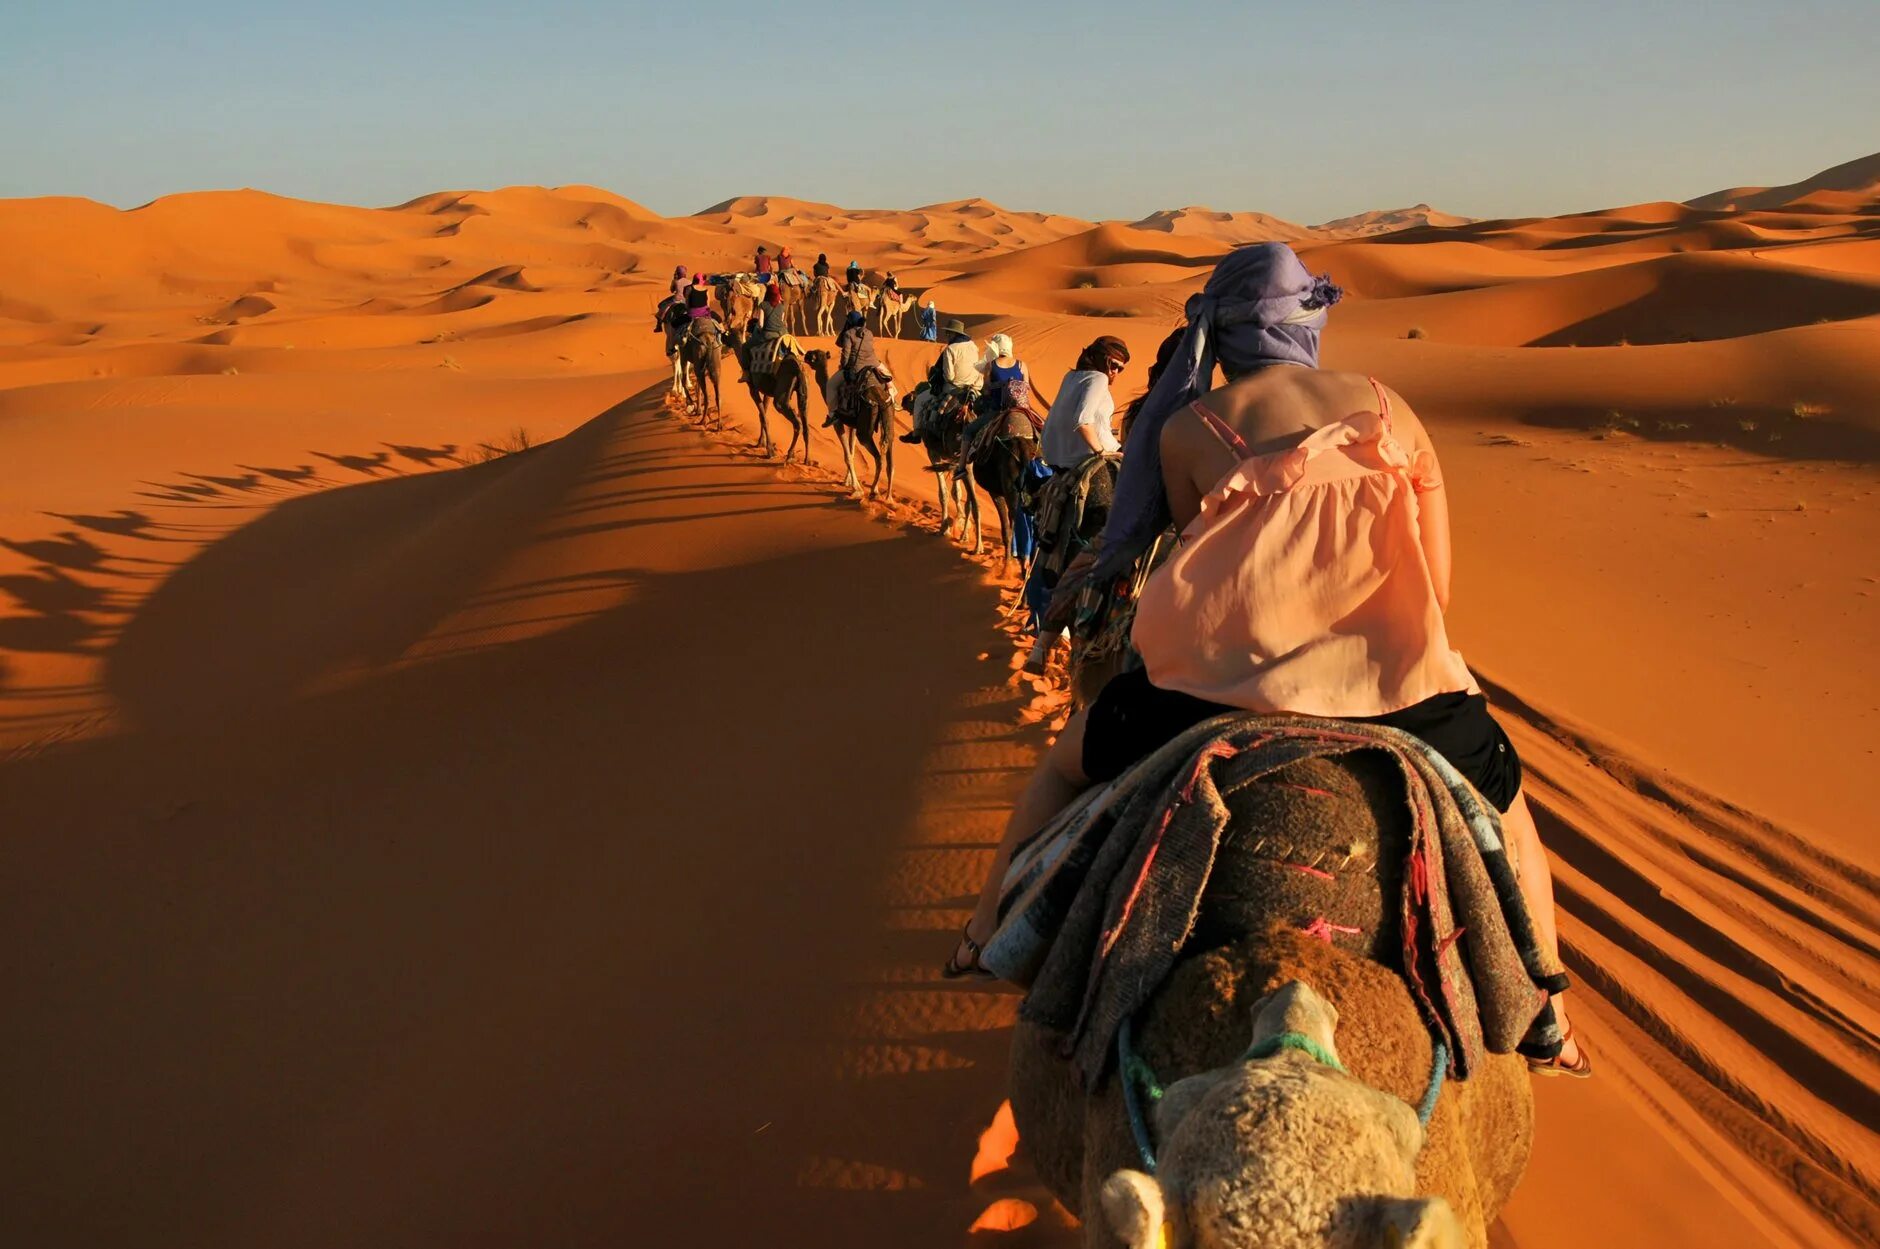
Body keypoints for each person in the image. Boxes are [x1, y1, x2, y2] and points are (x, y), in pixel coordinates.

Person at [943, 244, 1589, 1079]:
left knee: (1063, 771)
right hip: (1393, 687)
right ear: (1312, 321)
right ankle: (1550, 1014)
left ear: (1220, 329)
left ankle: (989, 932)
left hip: (1213, 692)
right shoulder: (1393, 410)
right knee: (1509, 808)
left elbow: (1194, 554)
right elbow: (1439, 580)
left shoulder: (1189, 427)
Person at [1040, 335, 1129, 470]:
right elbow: (1083, 422)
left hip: (1056, 457)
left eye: (1120, 369)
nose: (1115, 372)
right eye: (1113, 365)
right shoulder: (1099, 378)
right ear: (1101, 359)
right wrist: (1102, 452)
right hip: (1088, 454)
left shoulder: (1070, 376)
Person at [901, 318, 979, 443]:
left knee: (920, 400)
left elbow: (949, 376)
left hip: (952, 388)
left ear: (955, 334)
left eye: (949, 333)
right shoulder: (973, 346)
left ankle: (916, 434)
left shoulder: (950, 349)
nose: (947, 335)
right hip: (972, 389)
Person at [827, 310, 883, 426]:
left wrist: (844, 366)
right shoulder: (869, 333)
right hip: (873, 363)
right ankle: (892, 398)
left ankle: (833, 414)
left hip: (856, 367)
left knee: (831, 385)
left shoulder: (848, 334)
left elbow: (846, 355)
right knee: (888, 378)